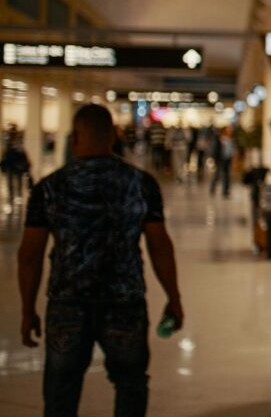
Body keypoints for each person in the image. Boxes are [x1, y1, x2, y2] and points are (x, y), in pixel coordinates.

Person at [16, 104, 183, 417]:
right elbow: (160, 246)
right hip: (125, 303)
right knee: (130, 385)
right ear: (114, 136)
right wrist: (174, 298)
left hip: (67, 304)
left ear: (75, 137)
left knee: (60, 394)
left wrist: (28, 311)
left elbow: (29, 255)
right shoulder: (141, 184)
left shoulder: (49, 188)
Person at [1, 133, 31, 210]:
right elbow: (5, 159)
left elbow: (5, 158)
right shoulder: (11, 148)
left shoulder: (16, 148)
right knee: (12, 183)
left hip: (16, 168)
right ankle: (14, 197)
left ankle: (16, 196)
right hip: (12, 168)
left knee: (16, 182)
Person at [209, 126, 234, 199]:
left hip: (227, 159)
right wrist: (215, 160)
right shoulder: (219, 139)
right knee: (218, 175)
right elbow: (215, 150)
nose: (230, 132)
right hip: (220, 159)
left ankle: (225, 191)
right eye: (228, 131)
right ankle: (212, 188)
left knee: (227, 176)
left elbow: (232, 150)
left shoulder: (230, 140)